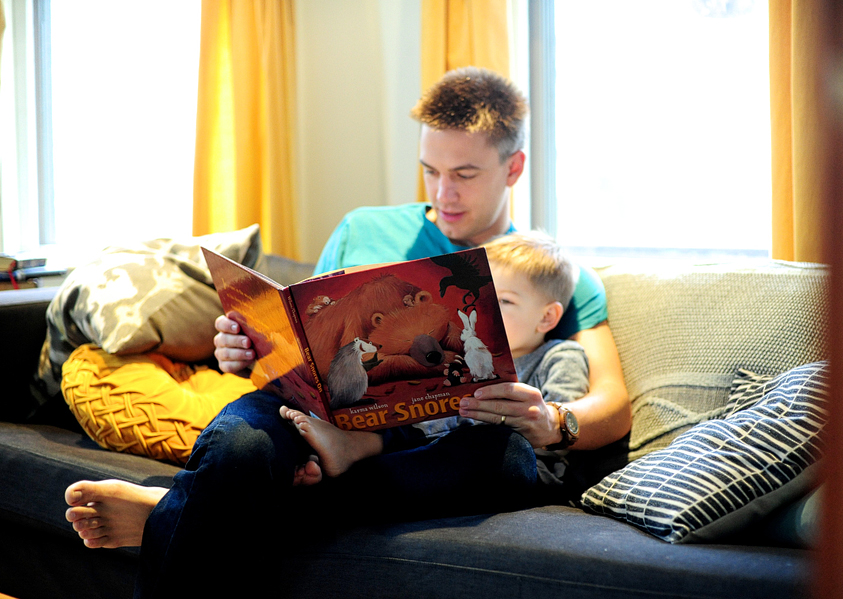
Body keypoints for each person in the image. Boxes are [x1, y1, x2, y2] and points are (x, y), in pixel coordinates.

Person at [64, 67, 631, 597]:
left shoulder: (548, 280)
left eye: (464, 175)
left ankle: (180, 510)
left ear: (513, 168)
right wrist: (246, 349)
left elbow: (613, 405)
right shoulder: (364, 229)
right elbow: (304, 336)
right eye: (431, 171)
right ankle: (210, 500)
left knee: (504, 458)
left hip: (435, 443)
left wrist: (552, 422)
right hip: (321, 414)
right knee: (242, 446)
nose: (443, 194)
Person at [280, 231, 620, 504]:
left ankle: (332, 494)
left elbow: (555, 435)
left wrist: (539, 418)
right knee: (412, 430)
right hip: (432, 447)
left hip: (527, 464)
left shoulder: (559, 356)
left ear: (548, 317)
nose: (489, 311)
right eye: (484, 299)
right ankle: (355, 448)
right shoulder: (457, 347)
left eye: (505, 301)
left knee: (502, 450)